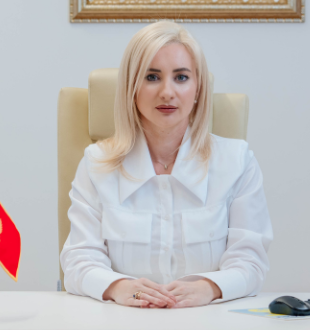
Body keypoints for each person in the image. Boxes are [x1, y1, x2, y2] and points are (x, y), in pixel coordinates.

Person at [60, 21, 272, 308]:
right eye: (152, 77)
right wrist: (120, 288)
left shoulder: (237, 162)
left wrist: (209, 288)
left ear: (198, 89)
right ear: (132, 88)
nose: (167, 92)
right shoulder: (96, 164)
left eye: (181, 77)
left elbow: (251, 262)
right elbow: (78, 261)